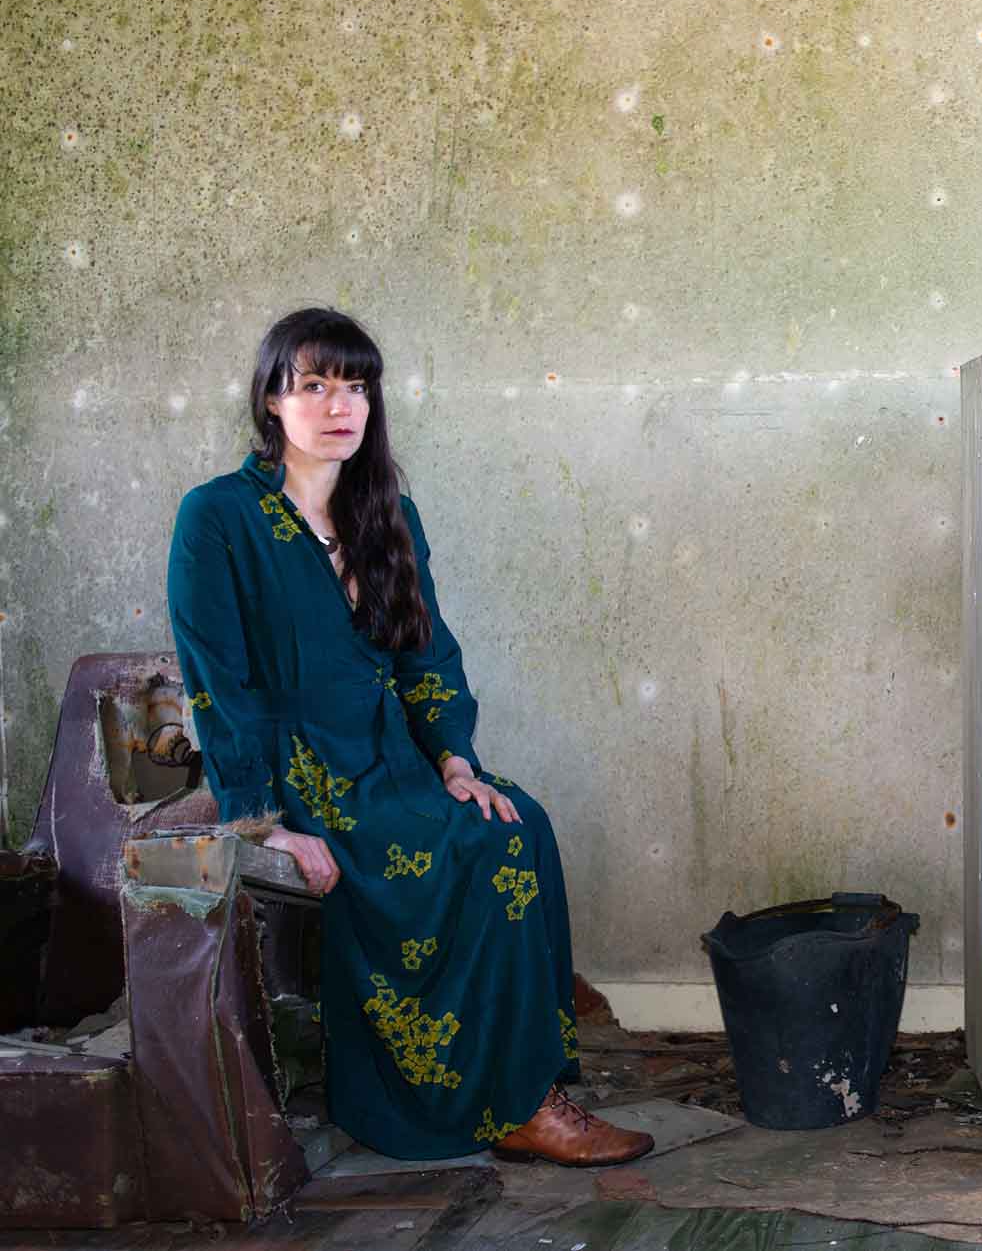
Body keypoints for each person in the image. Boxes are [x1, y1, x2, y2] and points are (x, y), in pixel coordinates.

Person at [166, 307, 651, 1166]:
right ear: (271, 401)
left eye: (355, 386)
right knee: (479, 854)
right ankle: (503, 1102)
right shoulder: (217, 519)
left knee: (517, 822)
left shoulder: (387, 513)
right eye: (313, 384)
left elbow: (428, 656)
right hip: (306, 770)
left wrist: (456, 760)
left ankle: (526, 1087)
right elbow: (218, 682)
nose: (338, 404)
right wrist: (258, 818)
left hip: (393, 757)